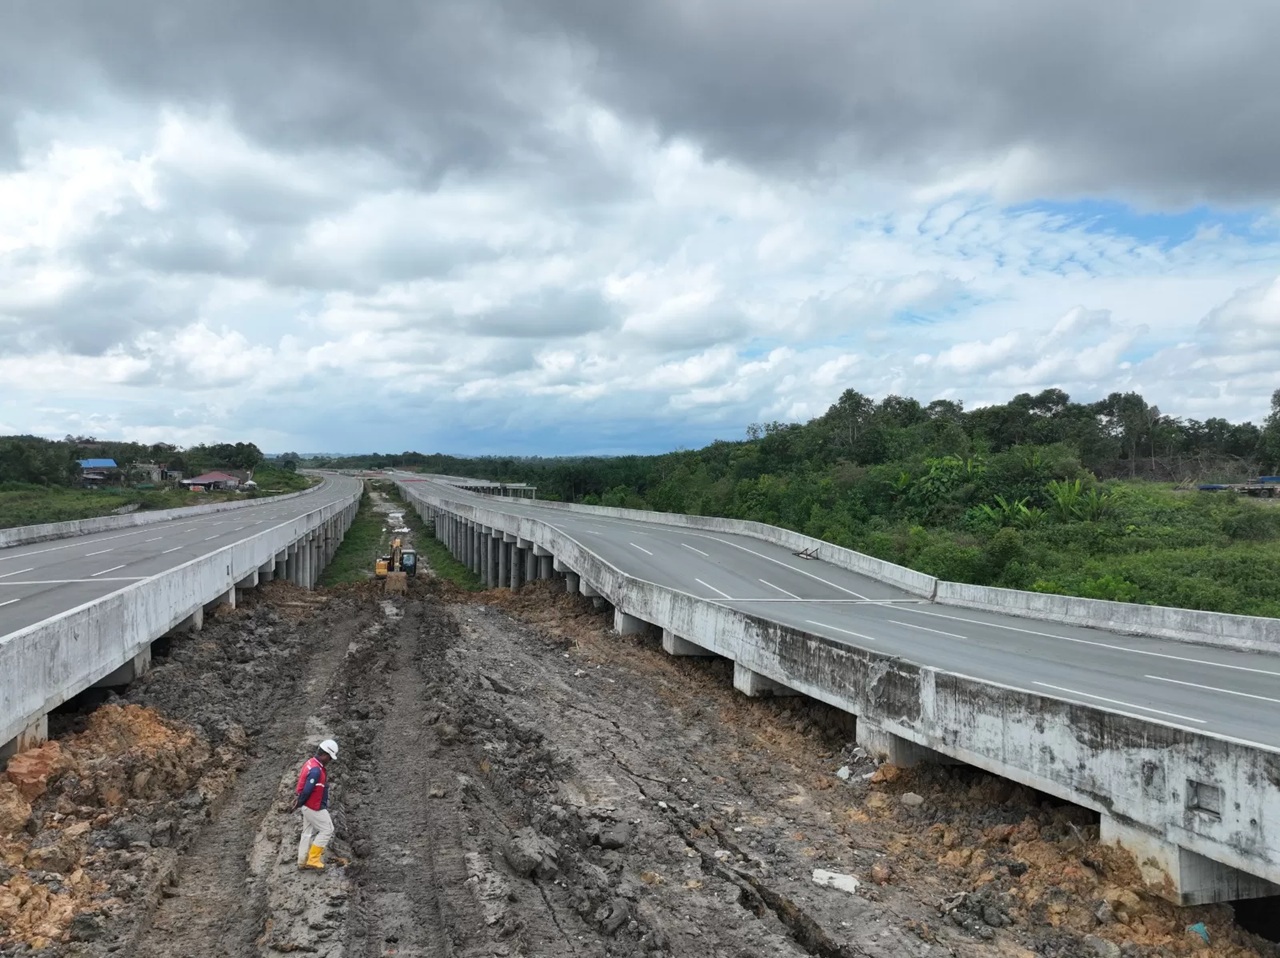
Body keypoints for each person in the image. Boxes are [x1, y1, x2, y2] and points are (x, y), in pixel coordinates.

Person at [291, 738, 338, 871]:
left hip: (308, 805)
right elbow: (307, 790)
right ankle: (313, 860)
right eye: (330, 758)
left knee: (307, 833)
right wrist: (299, 803)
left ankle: (302, 861)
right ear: (325, 755)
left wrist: (300, 803)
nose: (330, 761)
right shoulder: (316, 770)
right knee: (327, 829)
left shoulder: (310, 763)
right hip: (314, 806)